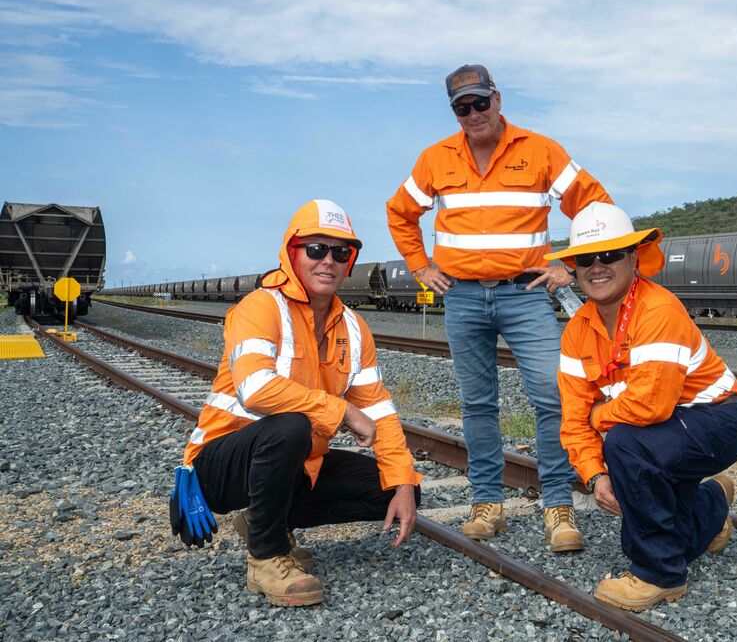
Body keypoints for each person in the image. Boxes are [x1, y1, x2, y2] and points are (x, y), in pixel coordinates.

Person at [386, 64, 613, 551]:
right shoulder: (435, 159)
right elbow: (400, 212)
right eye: (461, 108)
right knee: (478, 404)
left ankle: (558, 508)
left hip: (526, 292)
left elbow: (595, 205)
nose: (472, 114)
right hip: (462, 296)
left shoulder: (541, 151)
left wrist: (568, 268)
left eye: (479, 103)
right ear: (454, 111)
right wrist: (420, 265)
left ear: (497, 98)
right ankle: (488, 505)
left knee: (553, 398)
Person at [173, 199, 422, 607]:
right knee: (291, 426)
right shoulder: (260, 307)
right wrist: (340, 411)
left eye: (340, 252)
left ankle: (261, 519)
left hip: (292, 464)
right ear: (293, 252)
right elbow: (255, 389)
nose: (328, 261)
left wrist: (402, 481)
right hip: (218, 468)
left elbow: (379, 410)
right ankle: (266, 558)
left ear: (350, 261)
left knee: (396, 489)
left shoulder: (355, 329)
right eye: (316, 249)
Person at [547, 202, 737, 611]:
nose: (597, 266)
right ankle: (710, 505)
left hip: (717, 420)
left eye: (611, 254)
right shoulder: (577, 333)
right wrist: (595, 477)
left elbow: (648, 406)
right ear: (573, 268)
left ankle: (660, 575)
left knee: (627, 447)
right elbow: (572, 420)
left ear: (633, 258)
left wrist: (599, 419)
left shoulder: (657, 309)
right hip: (666, 433)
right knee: (652, 503)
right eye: (585, 258)